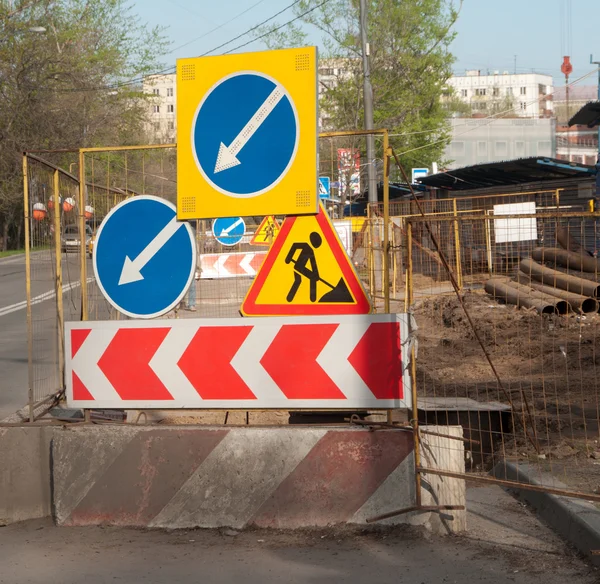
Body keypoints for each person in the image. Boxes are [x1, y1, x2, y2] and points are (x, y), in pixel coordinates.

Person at [285, 232, 323, 302]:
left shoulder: (311, 251)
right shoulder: (305, 245)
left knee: (299, 280)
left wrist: (316, 274)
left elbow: (313, 264)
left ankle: (290, 298)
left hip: (300, 268)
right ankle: (312, 298)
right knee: (302, 280)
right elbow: (294, 245)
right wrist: (288, 258)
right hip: (298, 267)